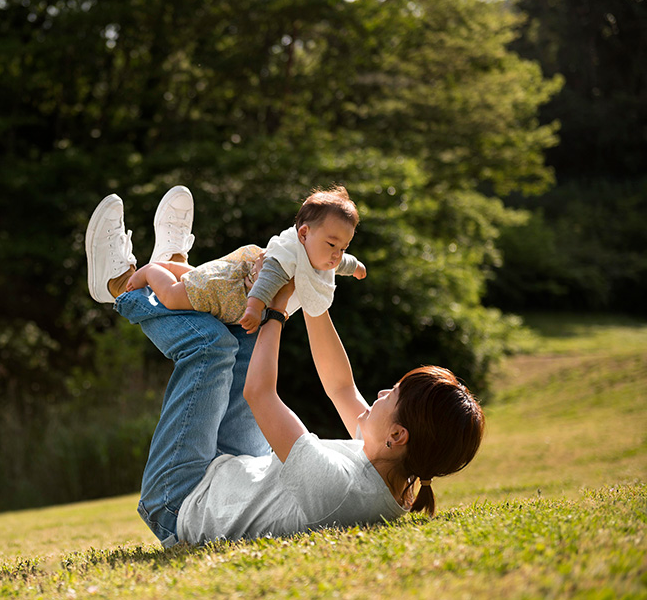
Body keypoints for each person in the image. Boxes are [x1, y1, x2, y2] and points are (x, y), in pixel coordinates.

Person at [84, 187, 485, 547]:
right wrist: (312, 294)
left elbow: (260, 395)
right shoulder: (390, 467)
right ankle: (172, 268)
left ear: (399, 434)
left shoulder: (340, 491)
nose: (380, 393)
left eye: (392, 394)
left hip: (183, 500)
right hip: (235, 471)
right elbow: (341, 387)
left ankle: (120, 286)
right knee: (244, 328)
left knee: (211, 347)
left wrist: (278, 311)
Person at [123, 185, 367, 333]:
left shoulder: (322, 255)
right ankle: (150, 271)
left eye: (344, 248)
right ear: (304, 233)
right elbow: (268, 281)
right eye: (333, 244)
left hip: (232, 292)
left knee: (193, 276)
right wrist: (254, 308)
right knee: (174, 297)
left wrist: (354, 266)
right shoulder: (287, 257)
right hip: (228, 292)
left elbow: (339, 264)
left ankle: (168, 264)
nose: (337, 254)